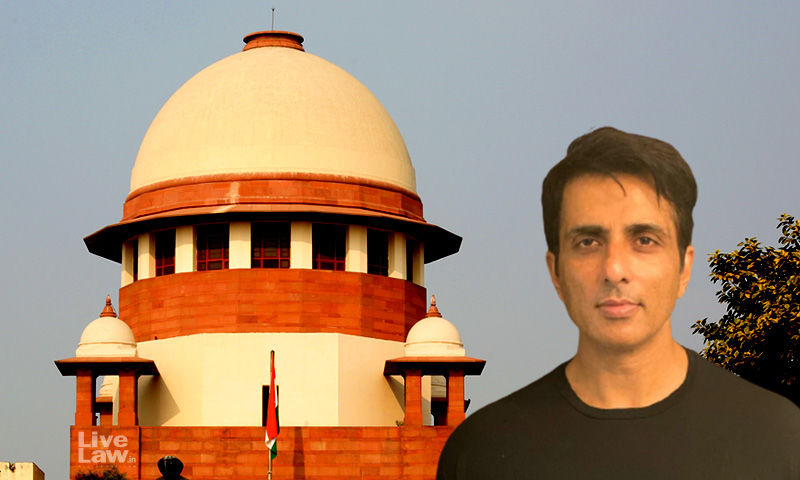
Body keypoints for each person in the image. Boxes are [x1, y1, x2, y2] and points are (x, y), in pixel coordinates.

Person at [436, 127, 800, 479]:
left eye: (644, 240)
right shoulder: (482, 452)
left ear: (684, 267)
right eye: (588, 242)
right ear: (555, 271)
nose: (614, 270)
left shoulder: (777, 437)